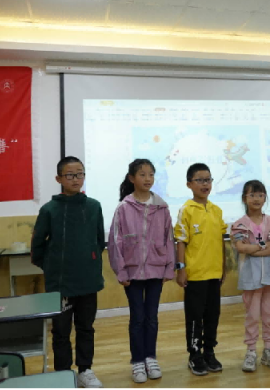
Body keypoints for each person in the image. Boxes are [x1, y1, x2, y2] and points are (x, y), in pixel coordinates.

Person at [31, 157, 105, 390]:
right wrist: (53, 267)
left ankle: (85, 370)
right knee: (61, 331)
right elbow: (37, 247)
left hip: (88, 280)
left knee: (86, 327)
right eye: (70, 175)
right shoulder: (49, 209)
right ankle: (63, 374)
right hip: (60, 283)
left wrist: (90, 261)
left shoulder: (93, 206)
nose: (76, 179)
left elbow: (99, 241)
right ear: (59, 179)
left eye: (80, 174)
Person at [108, 159, 175, 384]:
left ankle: (150, 358)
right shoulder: (124, 208)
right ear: (132, 178)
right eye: (142, 174)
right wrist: (121, 272)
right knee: (137, 317)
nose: (147, 179)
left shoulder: (162, 208)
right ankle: (137, 361)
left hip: (156, 271)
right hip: (132, 274)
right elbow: (115, 242)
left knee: (151, 318)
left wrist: (169, 268)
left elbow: (169, 239)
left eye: (151, 174)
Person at [174, 163, 228, 376]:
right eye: (200, 180)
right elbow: (180, 241)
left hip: (214, 273)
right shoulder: (186, 210)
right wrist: (181, 269)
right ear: (189, 184)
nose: (205, 184)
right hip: (195, 275)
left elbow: (221, 240)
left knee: (213, 315)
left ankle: (209, 352)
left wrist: (224, 266)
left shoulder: (216, 210)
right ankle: (195, 355)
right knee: (195, 316)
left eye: (208, 180)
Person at [231, 180, 270, 373]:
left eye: (261, 195)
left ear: (265, 198)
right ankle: (251, 351)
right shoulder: (239, 224)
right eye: (252, 195)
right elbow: (241, 247)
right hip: (250, 277)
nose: (257, 199)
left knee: (269, 316)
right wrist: (264, 246)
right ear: (244, 198)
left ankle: (269, 350)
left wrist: (254, 249)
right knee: (252, 316)